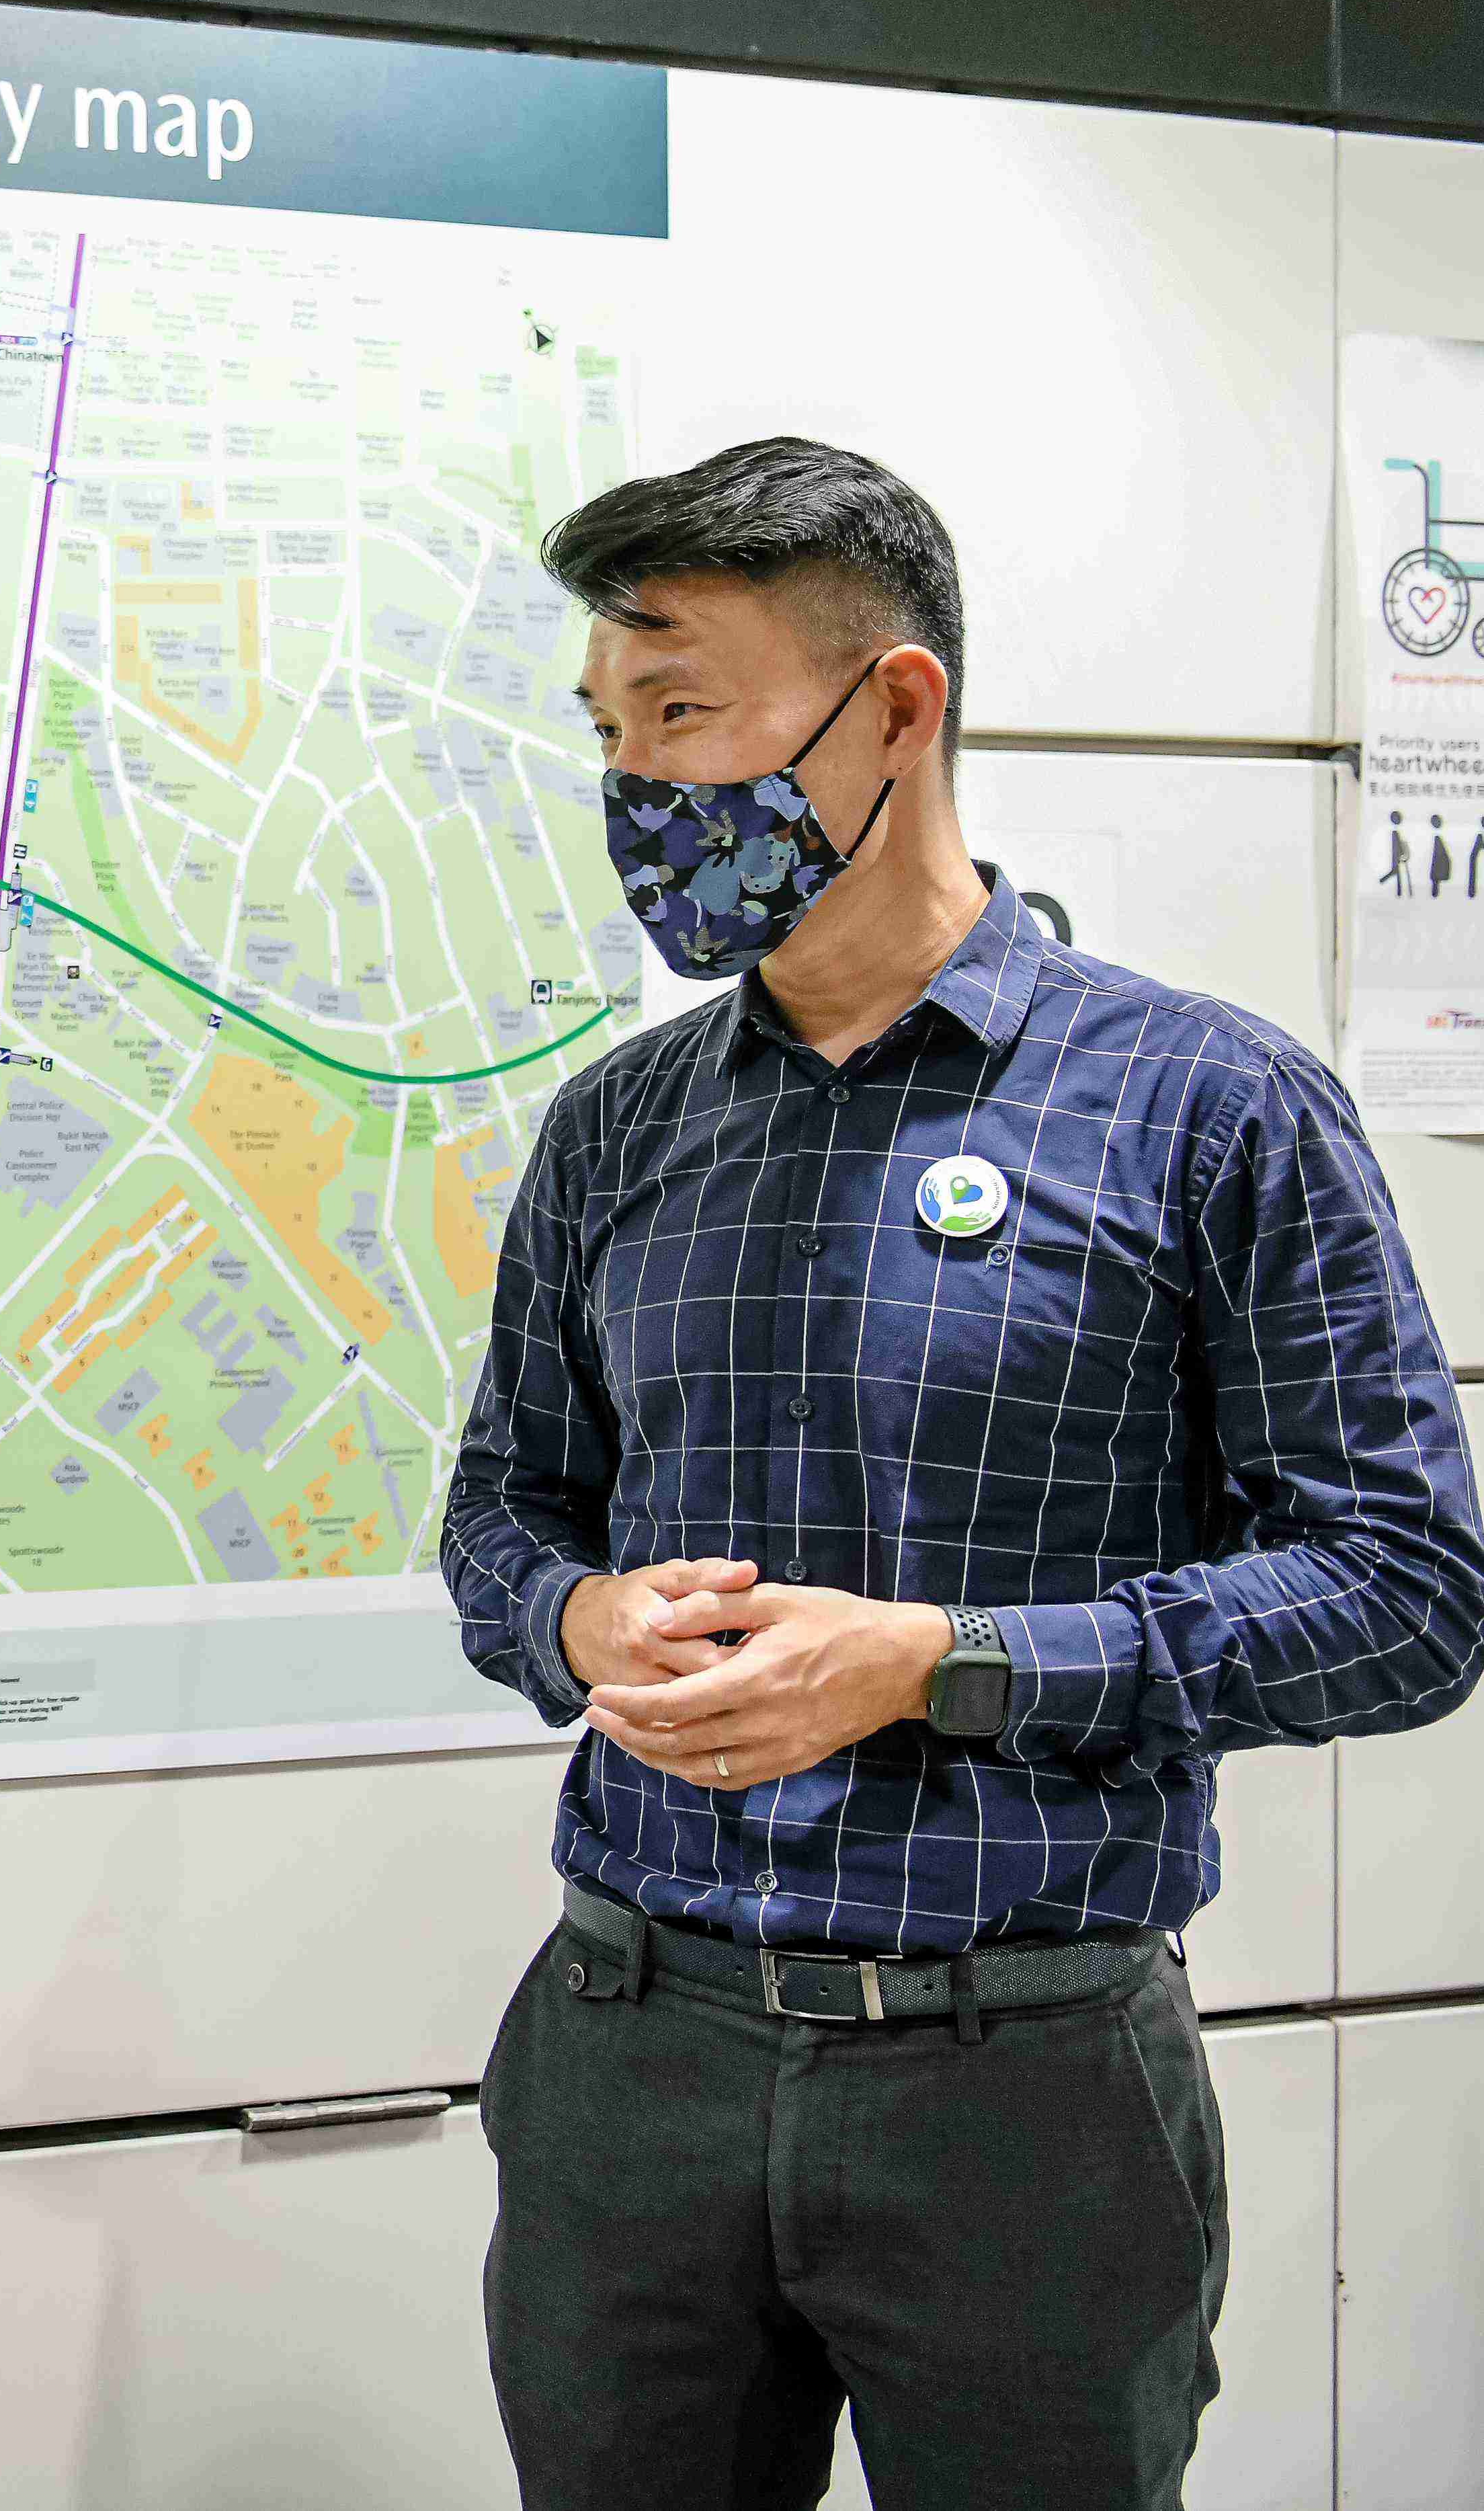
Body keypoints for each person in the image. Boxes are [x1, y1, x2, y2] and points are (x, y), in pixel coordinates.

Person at [444, 437, 1484, 2511]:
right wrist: (571, 1611)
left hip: (1017, 2084)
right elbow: (497, 1506)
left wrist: (938, 1660)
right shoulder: (615, 1127)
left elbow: (1406, 1591)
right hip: (623, 2048)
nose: (638, 786)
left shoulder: (1204, 1104)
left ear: (889, 709)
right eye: (605, 730)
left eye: (682, 715)